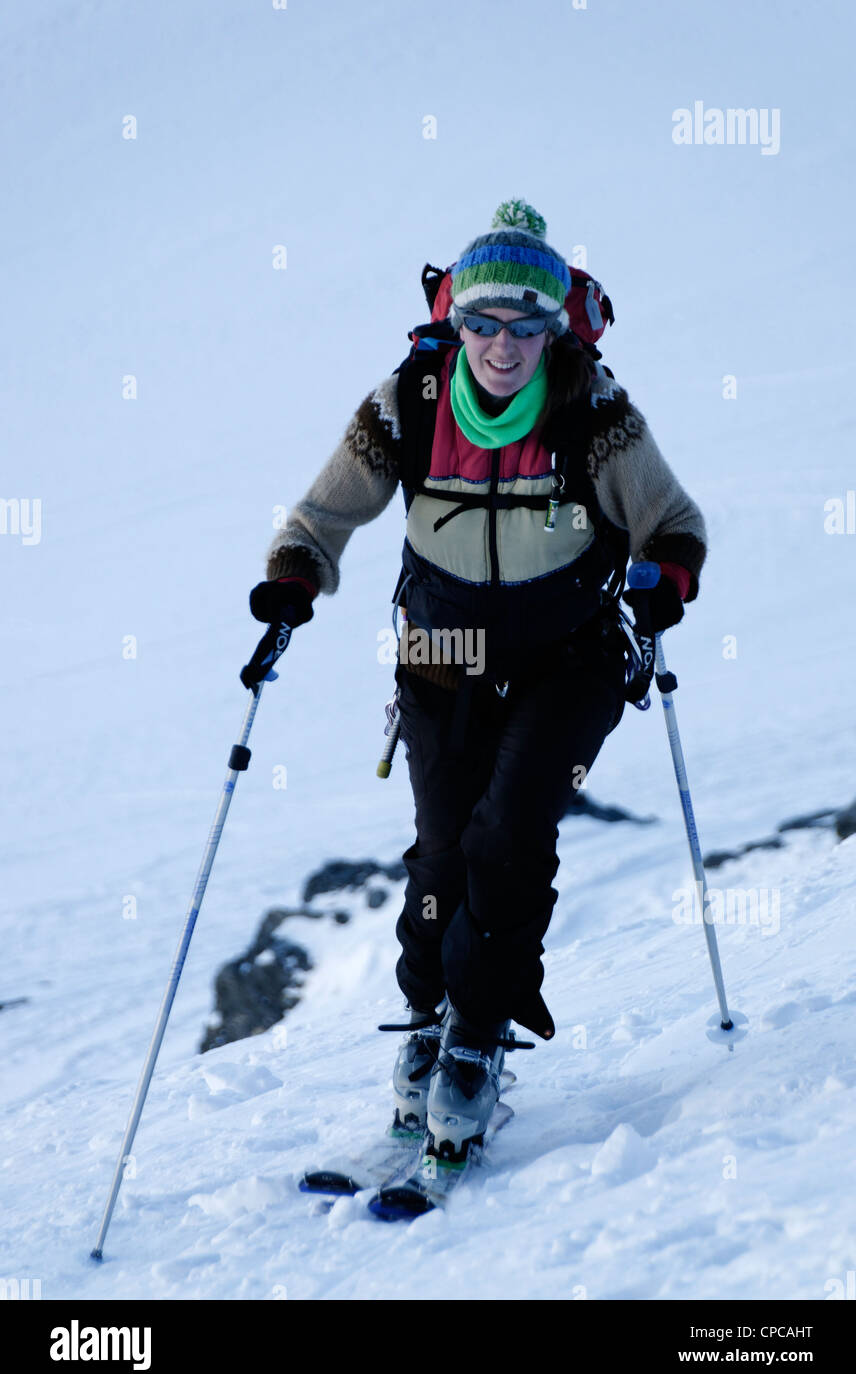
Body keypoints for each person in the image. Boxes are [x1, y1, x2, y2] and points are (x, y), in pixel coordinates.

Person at [241, 200, 707, 1162]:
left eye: (525, 325)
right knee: (441, 847)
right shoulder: (406, 401)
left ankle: (478, 1040)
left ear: (552, 327)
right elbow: (320, 516)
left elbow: (674, 522)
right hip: (441, 652)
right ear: (456, 323)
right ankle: (427, 1021)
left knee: (509, 832)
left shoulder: (595, 409)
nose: (503, 345)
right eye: (484, 324)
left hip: (567, 654)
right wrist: (293, 575)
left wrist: (664, 580)